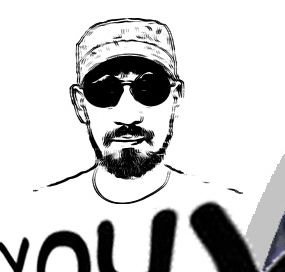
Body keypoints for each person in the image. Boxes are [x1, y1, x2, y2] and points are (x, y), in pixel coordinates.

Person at [38, 17, 240, 206]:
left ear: (176, 97)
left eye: (148, 90)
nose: (128, 116)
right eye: (105, 91)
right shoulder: (37, 215)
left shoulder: (236, 213)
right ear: (80, 104)